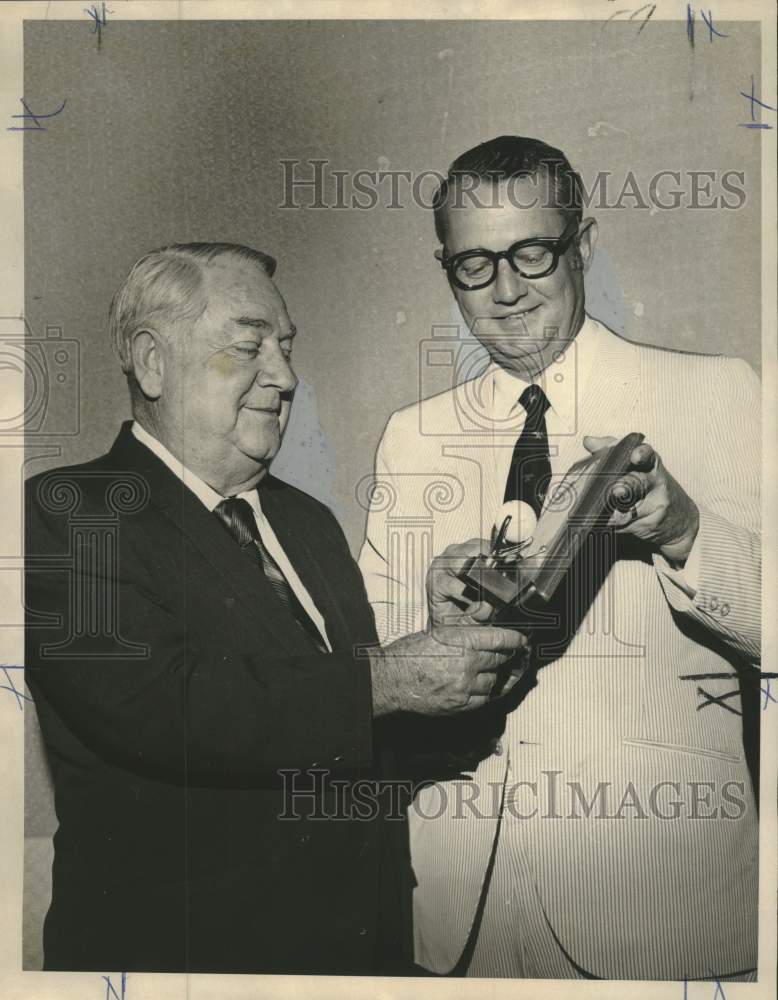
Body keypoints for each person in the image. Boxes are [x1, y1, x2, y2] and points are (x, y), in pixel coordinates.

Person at [24, 241, 526, 975]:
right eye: (249, 346)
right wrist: (388, 680)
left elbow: (349, 747)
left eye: (286, 348)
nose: (285, 377)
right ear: (153, 361)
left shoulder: (308, 523)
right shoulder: (72, 513)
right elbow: (166, 709)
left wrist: (462, 664)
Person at [358, 136, 761, 980]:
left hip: (649, 891)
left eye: (531, 253)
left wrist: (683, 530)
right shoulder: (410, 435)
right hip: (457, 900)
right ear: (446, 269)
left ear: (582, 243)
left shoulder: (715, 391)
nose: (505, 291)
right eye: (474, 265)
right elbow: (369, 668)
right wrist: (425, 621)